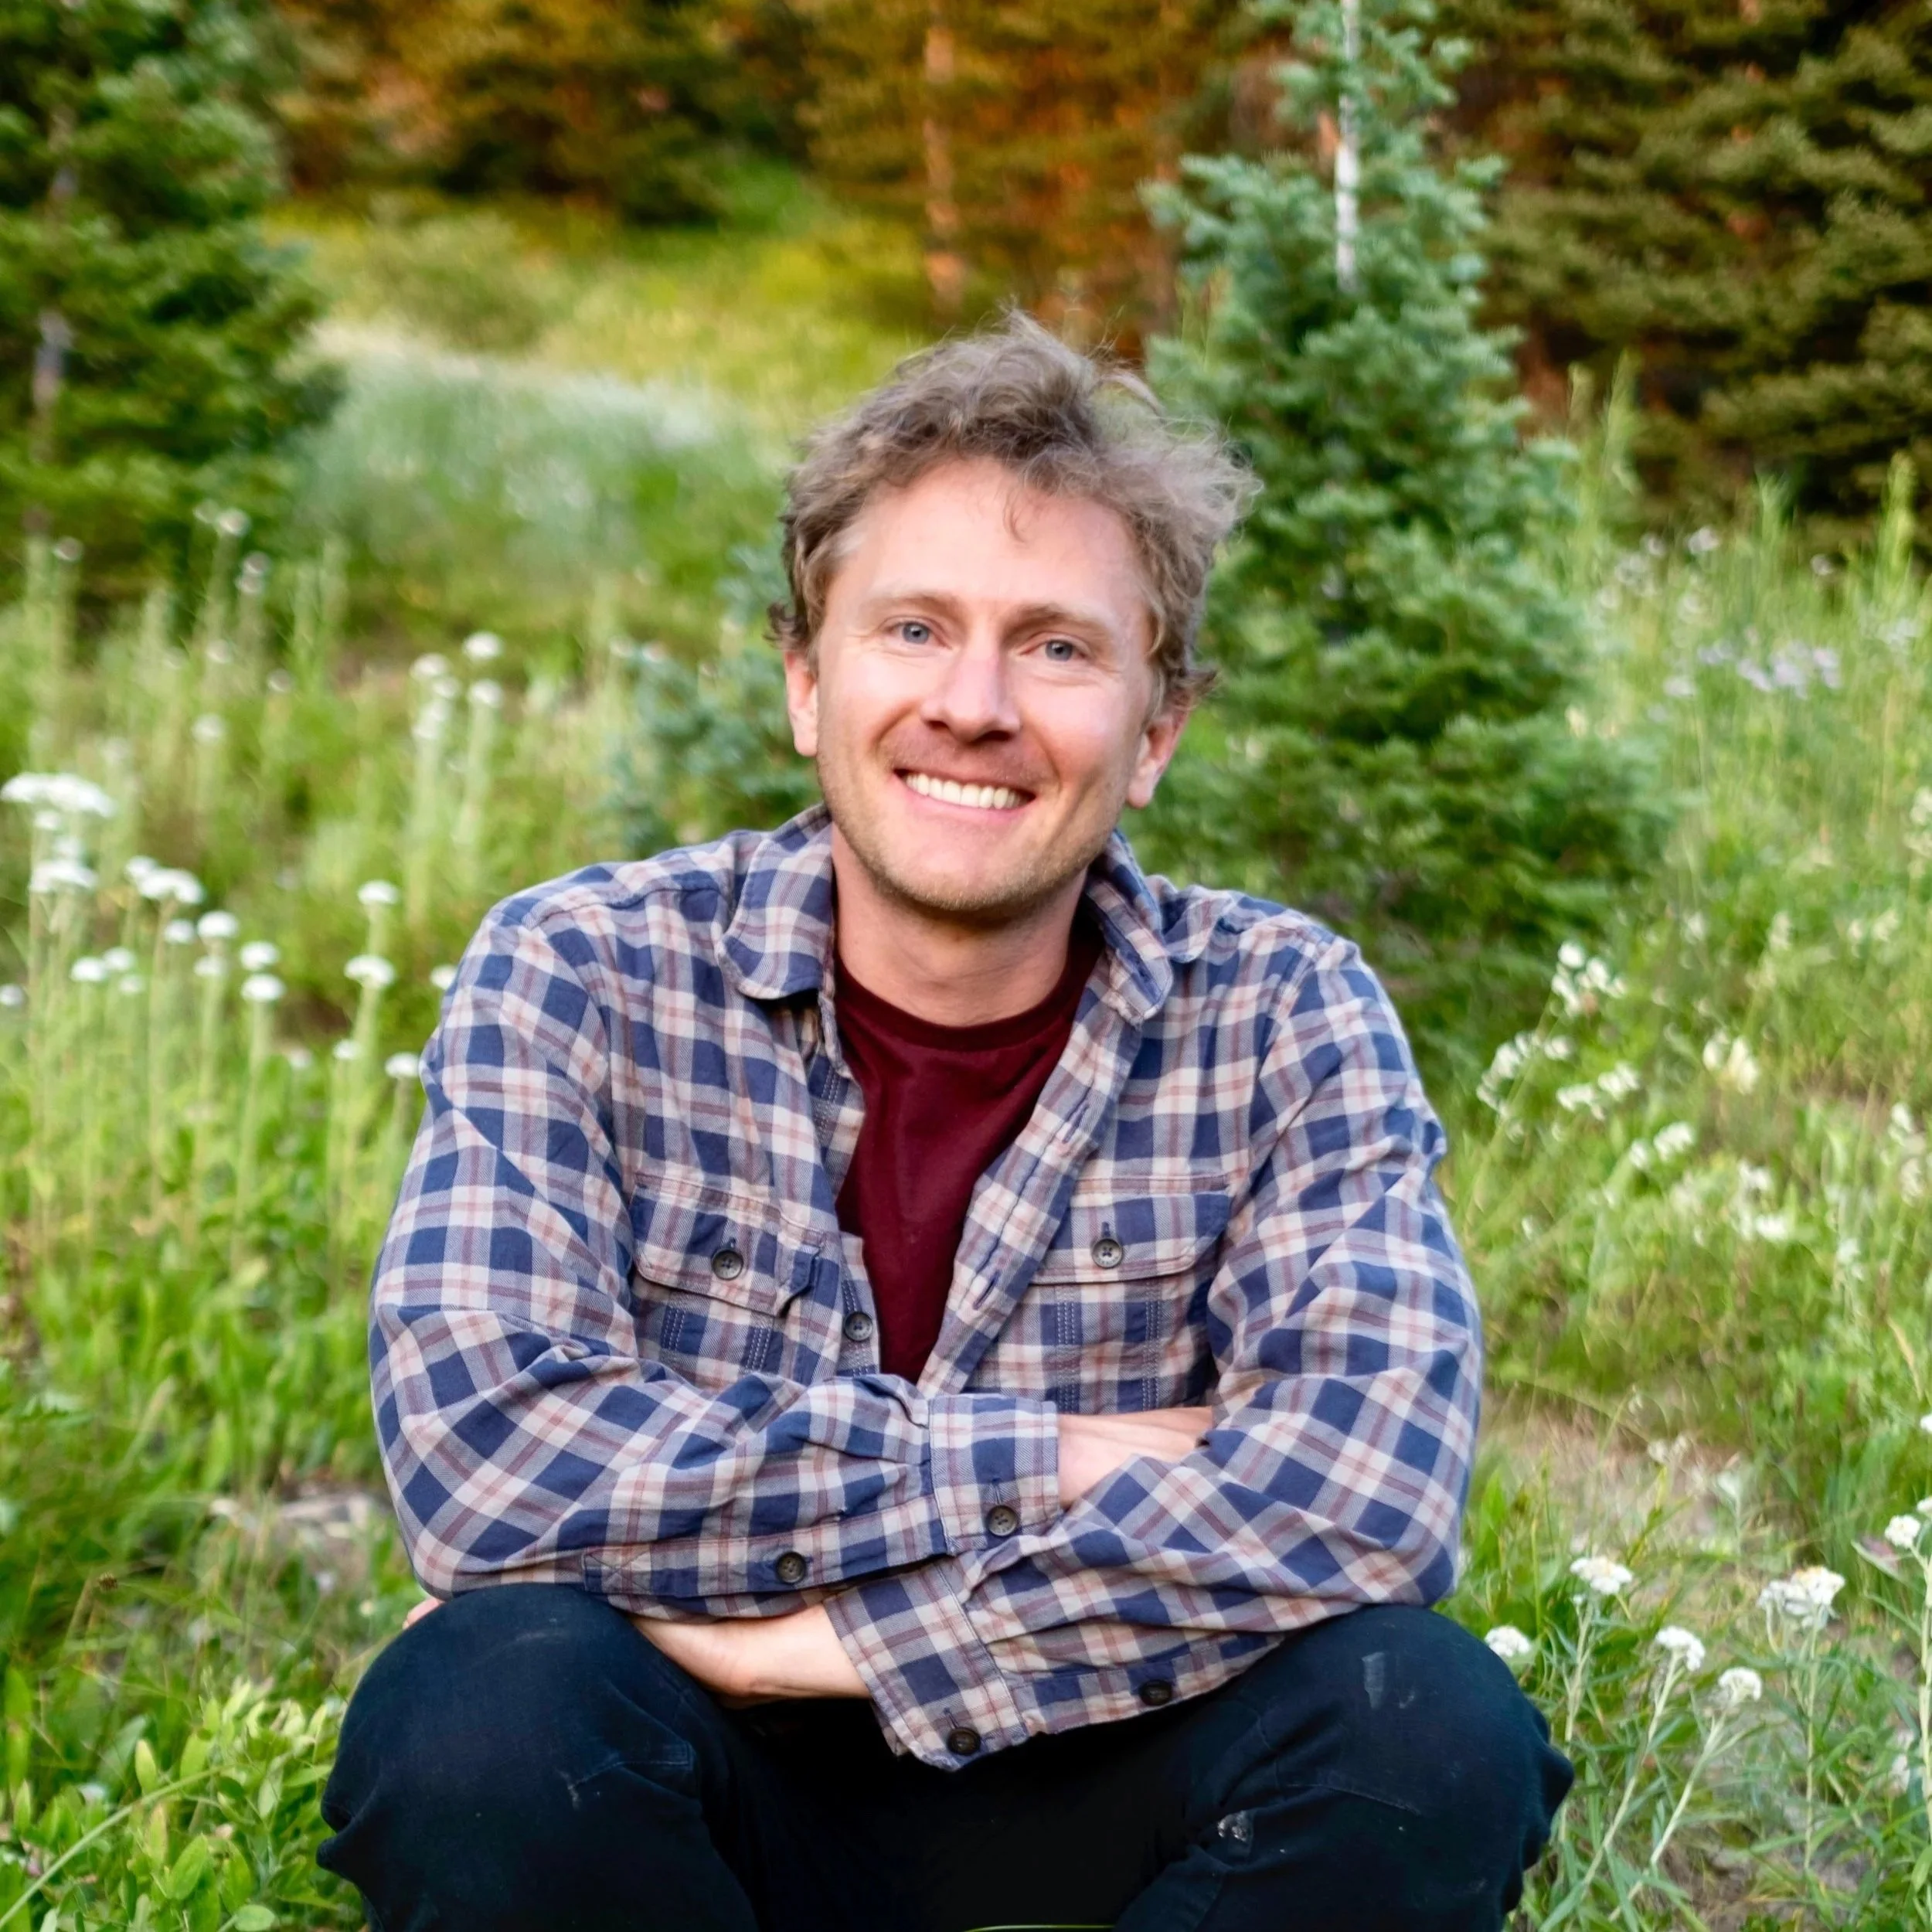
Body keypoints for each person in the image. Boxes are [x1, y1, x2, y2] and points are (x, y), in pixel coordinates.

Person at [318, 312, 1572, 1932]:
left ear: (1154, 732)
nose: (973, 704)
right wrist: (1050, 1454)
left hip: (1109, 1745)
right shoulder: (581, 968)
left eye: (1057, 648)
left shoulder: (1283, 1007)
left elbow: (1367, 1491)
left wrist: (815, 1646)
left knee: (1428, 1727)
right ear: (805, 682)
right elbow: (488, 1463)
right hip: (695, 1767)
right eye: (913, 628)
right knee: (478, 1714)